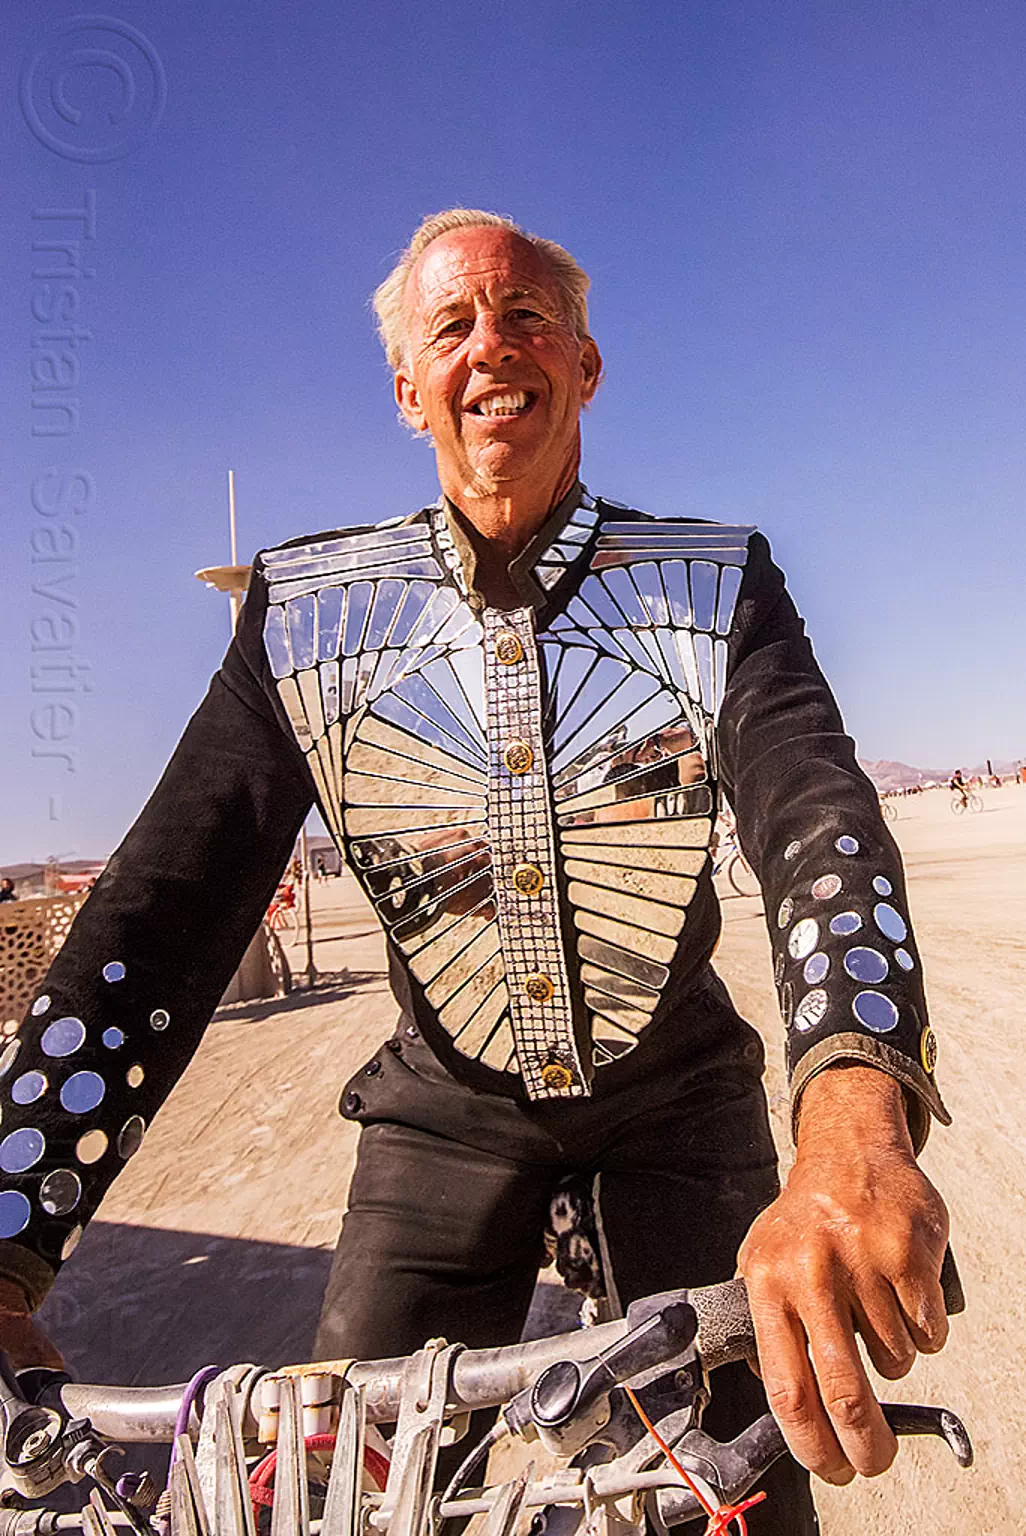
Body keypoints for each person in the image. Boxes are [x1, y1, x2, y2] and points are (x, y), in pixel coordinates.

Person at [0, 210, 951, 1533]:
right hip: (440, 1121)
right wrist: (10, 1222)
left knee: (741, 1488)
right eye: (452, 325)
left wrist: (853, 1121)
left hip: (675, 1097)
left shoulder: (711, 585)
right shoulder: (305, 616)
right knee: (347, 1490)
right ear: (406, 388)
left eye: (524, 316)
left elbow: (816, 823)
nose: (491, 347)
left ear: (585, 362)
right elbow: (160, 910)